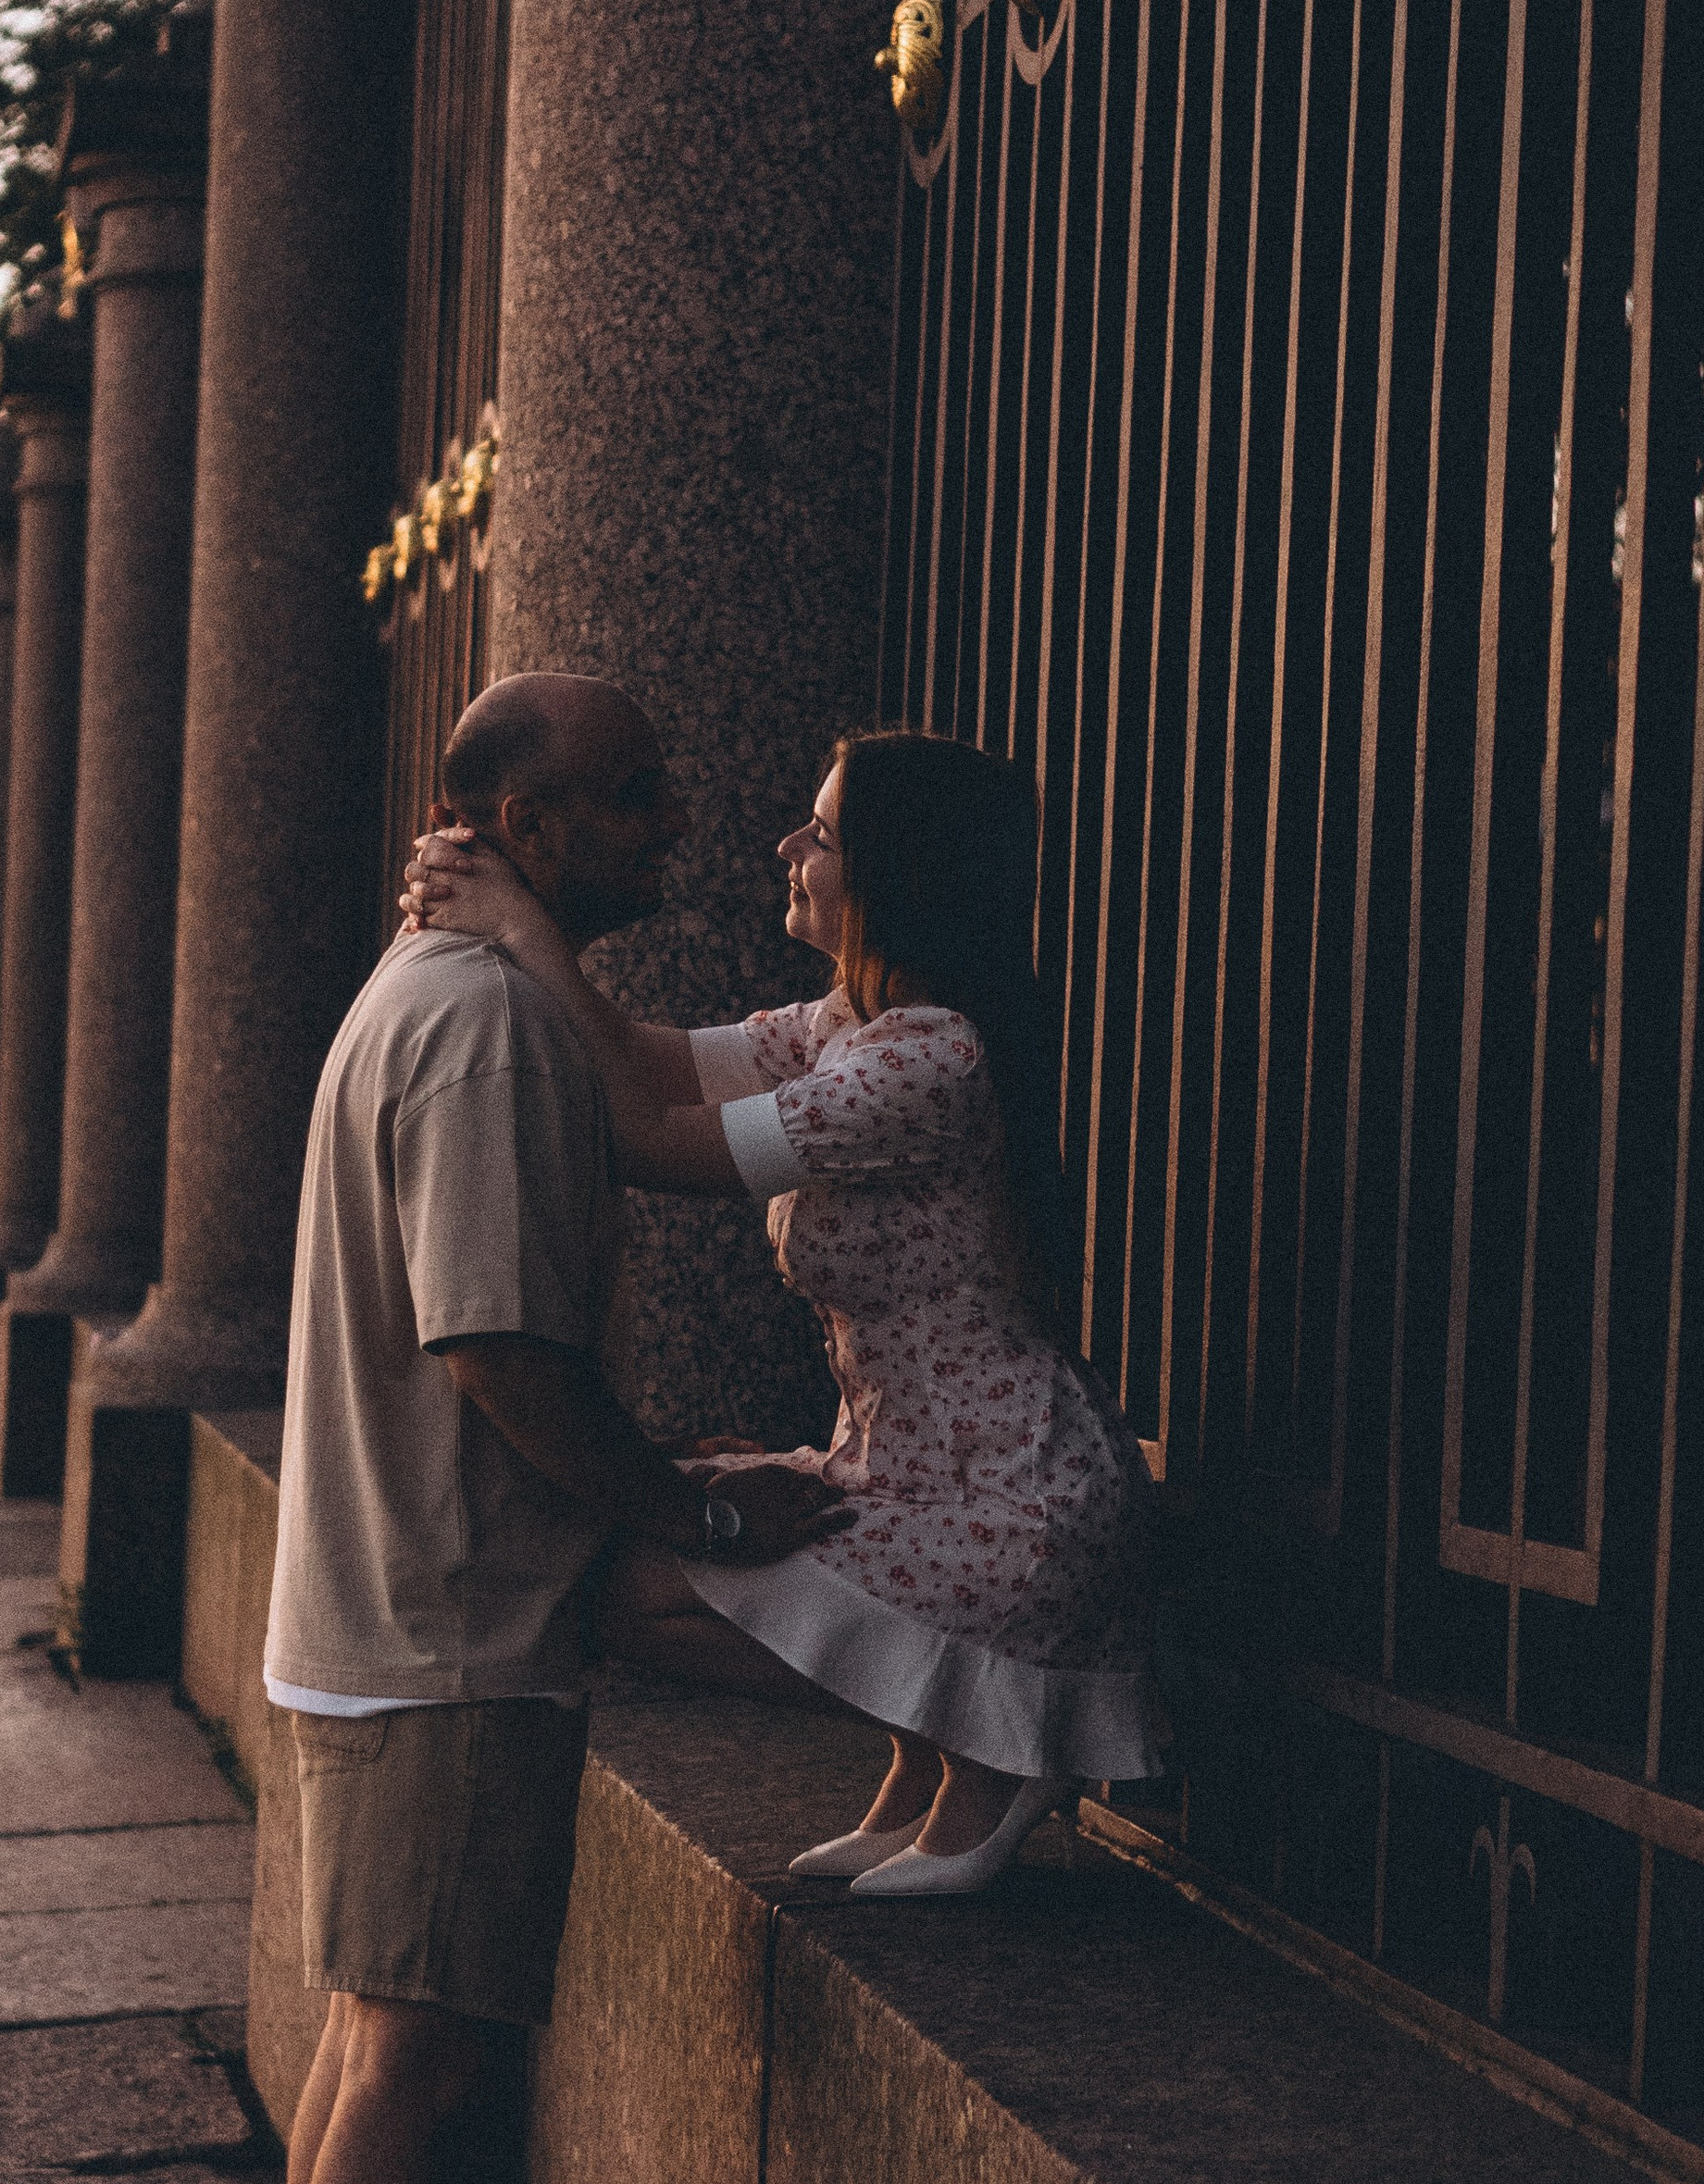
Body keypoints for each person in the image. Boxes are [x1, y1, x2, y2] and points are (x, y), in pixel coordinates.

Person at [245, 672, 848, 2184]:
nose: (669, 825)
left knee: (358, 2056)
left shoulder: (431, 988)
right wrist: (678, 1500)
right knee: (404, 2074)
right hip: (446, 1623)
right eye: (619, 799)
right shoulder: (490, 1023)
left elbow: (666, 1116)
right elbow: (497, 1346)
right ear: (505, 814)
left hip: (373, 1602)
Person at [405, 725, 1163, 1894]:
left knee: (636, 1592)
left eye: (822, 831)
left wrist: (520, 930)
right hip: (918, 1473)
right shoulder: (839, 1029)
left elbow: (652, 1137)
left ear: (895, 872)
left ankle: (995, 1741)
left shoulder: (929, 1063)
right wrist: (526, 927)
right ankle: (931, 1747)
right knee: (644, 1550)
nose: (788, 844)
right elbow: (650, 1063)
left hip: (1015, 1499)